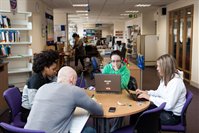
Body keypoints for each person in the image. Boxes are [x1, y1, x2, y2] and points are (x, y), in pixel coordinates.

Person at [24, 66, 104, 133]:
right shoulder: (73, 90)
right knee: (90, 130)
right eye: (75, 82)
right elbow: (99, 111)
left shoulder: (43, 88)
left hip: (26, 131)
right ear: (72, 79)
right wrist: (94, 102)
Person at [136, 54, 186, 125]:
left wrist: (149, 97)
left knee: (142, 117)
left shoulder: (176, 83)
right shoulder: (165, 78)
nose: (157, 68)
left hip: (171, 116)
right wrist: (146, 92)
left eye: (159, 66)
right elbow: (159, 93)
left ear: (166, 67)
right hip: (165, 110)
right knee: (138, 111)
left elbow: (168, 105)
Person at [21, 50, 59, 122]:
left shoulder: (47, 77)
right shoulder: (35, 81)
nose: (55, 71)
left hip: (41, 106)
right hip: (28, 113)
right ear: (45, 68)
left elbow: (58, 84)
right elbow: (34, 105)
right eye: (53, 69)